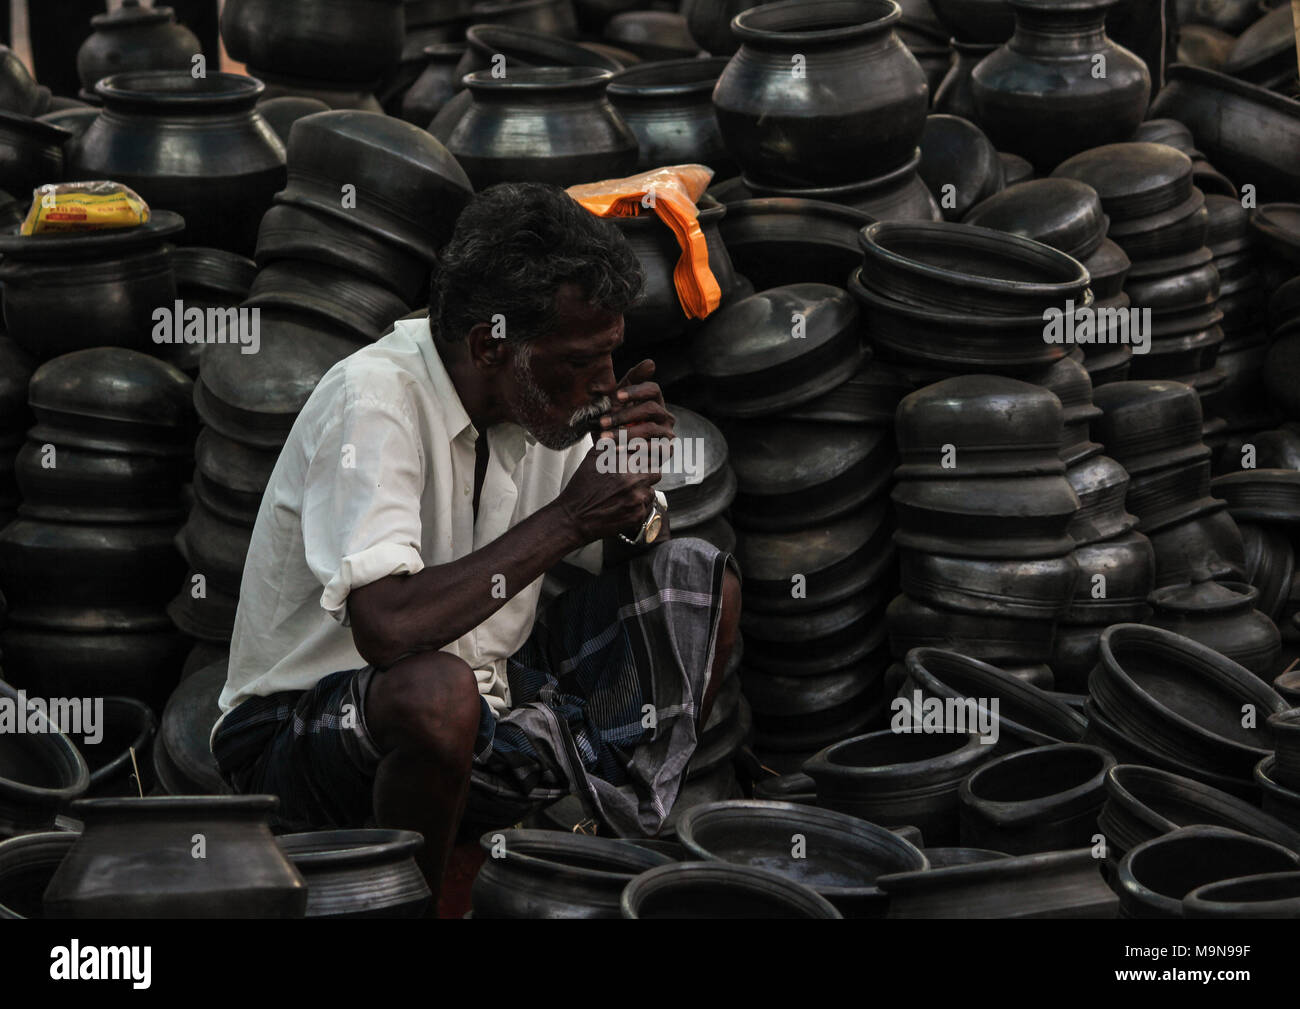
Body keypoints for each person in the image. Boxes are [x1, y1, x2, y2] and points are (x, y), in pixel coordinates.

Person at [210, 182, 741, 904]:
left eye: (612, 356)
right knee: (436, 695)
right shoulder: (374, 401)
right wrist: (571, 518)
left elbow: (624, 556)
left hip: (489, 718)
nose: (605, 383)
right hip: (306, 736)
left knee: (696, 582)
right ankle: (414, 902)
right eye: (583, 360)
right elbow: (387, 627)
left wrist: (631, 504)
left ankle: (572, 848)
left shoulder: (543, 403)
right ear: (493, 344)